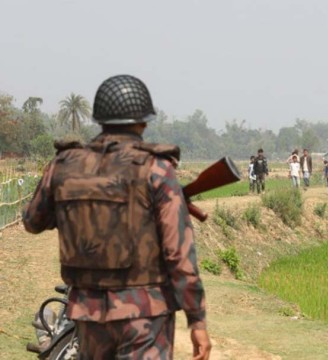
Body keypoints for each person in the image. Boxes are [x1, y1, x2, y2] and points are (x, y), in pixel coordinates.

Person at [22, 74, 212, 359]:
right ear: (144, 121)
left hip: (87, 314)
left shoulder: (63, 166)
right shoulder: (156, 170)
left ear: (99, 119)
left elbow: (33, 222)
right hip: (146, 318)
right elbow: (179, 255)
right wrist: (196, 319)